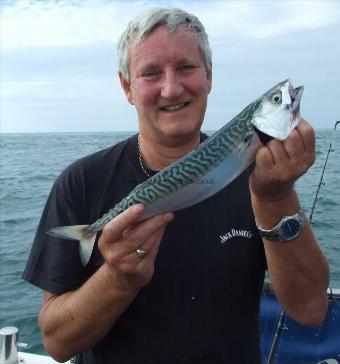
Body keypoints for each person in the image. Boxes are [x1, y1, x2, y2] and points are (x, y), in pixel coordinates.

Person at [23, 8, 330, 364]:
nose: (172, 88)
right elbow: (58, 344)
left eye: (186, 68)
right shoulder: (80, 182)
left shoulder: (261, 177)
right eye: (151, 73)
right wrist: (118, 280)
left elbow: (311, 310)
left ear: (209, 77)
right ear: (127, 87)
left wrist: (276, 197)